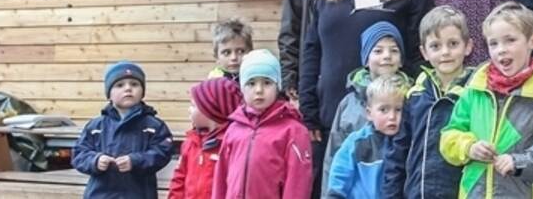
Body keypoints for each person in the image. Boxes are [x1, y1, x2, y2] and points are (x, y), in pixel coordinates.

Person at [300, 0, 434, 197]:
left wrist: (402, 106)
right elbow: (311, 50)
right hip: (333, 116)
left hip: (387, 120)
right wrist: (308, 110)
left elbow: (420, 57)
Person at [440, 2, 533, 199]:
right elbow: (448, 137)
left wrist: (520, 162)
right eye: (493, 43)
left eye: (510, 40)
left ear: (532, 41)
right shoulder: (474, 89)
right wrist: (469, 147)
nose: (501, 50)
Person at [383, 6, 476, 199]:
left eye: (453, 44)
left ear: (468, 46)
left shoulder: (477, 93)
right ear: (424, 52)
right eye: (435, 46)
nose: (445, 52)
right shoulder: (415, 95)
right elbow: (398, 152)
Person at [213, 49, 313, 199]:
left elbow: (298, 183)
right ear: (242, 88)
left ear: (277, 85)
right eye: (251, 83)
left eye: (267, 83)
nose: (259, 90)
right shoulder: (234, 129)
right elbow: (221, 178)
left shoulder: (293, 131)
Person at [73, 62, 175, 199]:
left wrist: (136, 161)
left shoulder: (154, 126)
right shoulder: (96, 126)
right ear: (109, 94)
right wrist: (95, 160)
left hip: (139, 193)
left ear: (142, 92)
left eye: (134, 84)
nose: (128, 89)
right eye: (120, 85)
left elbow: (162, 152)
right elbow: (79, 153)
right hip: (100, 194)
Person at [322, 22, 411, 176]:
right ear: (366, 59)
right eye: (378, 51)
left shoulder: (412, 98)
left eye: (394, 50)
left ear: (401, 60)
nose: (387, 56)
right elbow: (333, 156)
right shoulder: (349, 104)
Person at [326, 75, 408, 199]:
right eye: (384, 110)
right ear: (369, 113)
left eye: (398, 109)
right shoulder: (356, 142)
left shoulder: (409, 143)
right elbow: (339, 177)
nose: (392, 116)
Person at [169, 78, 244, 199]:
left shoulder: (230, 145)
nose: (189, 109)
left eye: (193, 106)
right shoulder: (191, 142)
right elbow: (179, 178)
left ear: (209, 110)